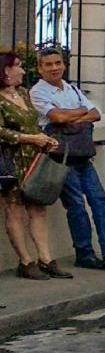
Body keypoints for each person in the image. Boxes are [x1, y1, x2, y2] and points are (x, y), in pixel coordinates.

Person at [30, 48, 105, 270]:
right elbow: (57, 117)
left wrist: (70, 116)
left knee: (99, 200)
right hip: (61, 157)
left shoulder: (71, 88)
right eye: (49, 64)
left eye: (58, 63)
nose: (55, 68)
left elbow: (95, 114)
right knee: (77, 206)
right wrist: (78, 114)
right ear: (40, 68)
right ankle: (84, 253)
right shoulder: (38, 92)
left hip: (82, 153)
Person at [0, 52, 70, 280]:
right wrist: (30, 139)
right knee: (14, 210)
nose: (22, 70)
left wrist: (44, 138)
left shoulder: (23, 94)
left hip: (33, 159)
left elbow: (34, 123)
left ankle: (46, 258)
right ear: (6, 71)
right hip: (11, 161)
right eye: (18, 66)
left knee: (38, 209)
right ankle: (25, 260)